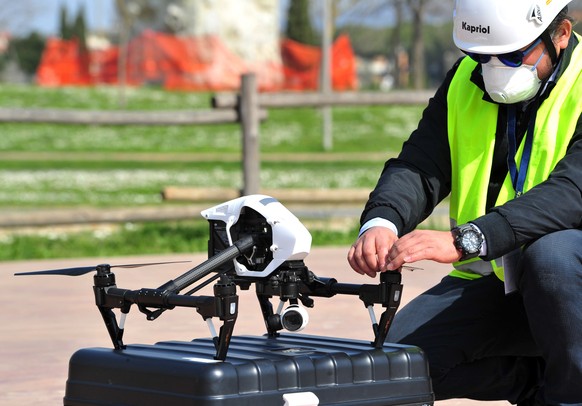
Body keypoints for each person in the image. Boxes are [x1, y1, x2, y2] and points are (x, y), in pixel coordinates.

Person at [347, 0, 581, 404]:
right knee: (395, 370)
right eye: (480, 56)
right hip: (499, 281)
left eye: (511, 55)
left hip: (566, 278)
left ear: (560, 34)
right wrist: (382, 221)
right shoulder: (464, 81)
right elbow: (420, 164)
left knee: (552, 256)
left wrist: (466, 239)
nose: (494, 70)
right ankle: (542, 383)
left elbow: (572, 191)